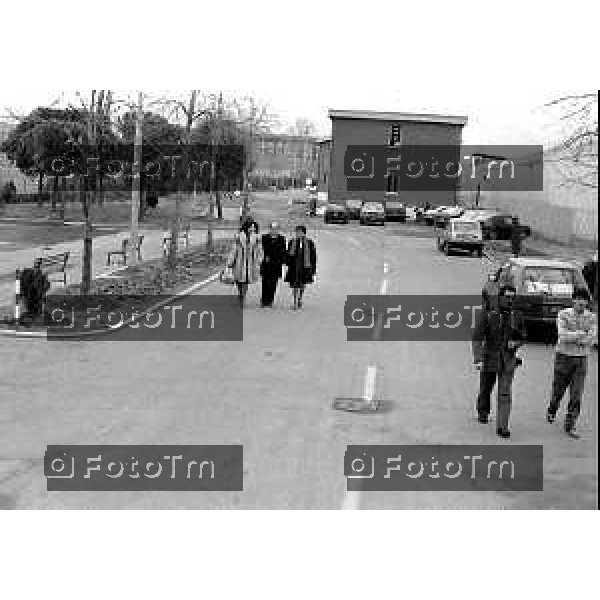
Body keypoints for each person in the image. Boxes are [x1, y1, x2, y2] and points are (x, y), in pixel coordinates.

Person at [472, 285, 526, 438]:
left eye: (512, 297)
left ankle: (503, 426)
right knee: (486, 388)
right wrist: (478, 359)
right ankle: (483, 411)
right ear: (500, 297)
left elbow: (523, 336)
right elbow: (477, 337)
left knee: (505, 393)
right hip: (489, 357)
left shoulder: (517, 315)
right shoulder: (488, 313)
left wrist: (515, 343)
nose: (510, 300)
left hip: (508, 360)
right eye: (507, 297)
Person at [546, 288, 597, 438]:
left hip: (581, 359)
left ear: (587, 302)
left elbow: (592, 339)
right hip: (563, 356)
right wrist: (581, 334)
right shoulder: (563, 314)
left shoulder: (592, 318)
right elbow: (562, 335)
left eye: (584, 300)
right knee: (558, 389)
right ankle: (552, 408)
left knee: (576, 393)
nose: (581, 302)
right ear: (573, 300)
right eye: (578, 299)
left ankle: (571, 423)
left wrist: (577, 337)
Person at [226, 218, 263, 307]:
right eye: (251, 227)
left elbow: (260, 250)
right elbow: (233, 250)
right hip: (239, 262)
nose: (253, 229)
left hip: (251, 262)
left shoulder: (257, 238)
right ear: (247, 227)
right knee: (239, 281)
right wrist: (230, 262)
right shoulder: (238, 237)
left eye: (254, 227)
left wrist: (259, 260)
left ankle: (243, 296)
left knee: (246, 281)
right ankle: (240, 293)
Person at [284, 225, 317, 310]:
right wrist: (287, 262)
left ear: (304, 233)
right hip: (294, 267)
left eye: (300, 232)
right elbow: (288, 254)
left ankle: (300, 298)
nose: (298, 233)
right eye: (297, 232)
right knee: (294, 284)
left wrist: (313, 269)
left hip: (305, 267)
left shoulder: (309, 242)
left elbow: (313, 256)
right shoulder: (292, 241)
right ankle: (294, 301)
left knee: (302, 284)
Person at [260, 222, 287, 307]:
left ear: (278, 229)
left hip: (276, 264)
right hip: (266, 263)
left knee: (273, 283)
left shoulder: (281, 238)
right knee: (265, 282)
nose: (274, 230)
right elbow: (261, 249)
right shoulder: (264, 237)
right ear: (269, 229)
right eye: (272, 228)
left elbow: (283, 251)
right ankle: (264, 300)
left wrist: (283, 261)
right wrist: (264, 257)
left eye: (275, 229)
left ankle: (270, 300)